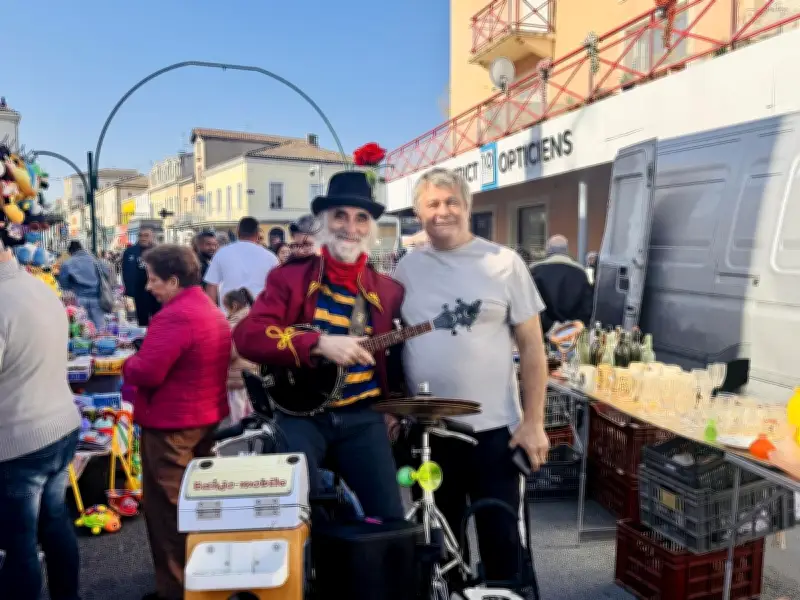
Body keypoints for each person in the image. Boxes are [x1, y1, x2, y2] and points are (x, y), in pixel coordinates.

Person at [392, 167, 549, 586]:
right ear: (417, 212)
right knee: (443, 548)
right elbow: (391, 339)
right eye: (432, 204)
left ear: (467, 206)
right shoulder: (407, 269)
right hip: (431, 435)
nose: (442, 212)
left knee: (502, 545)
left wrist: (534, 422)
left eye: (451, 202)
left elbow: (534, 348)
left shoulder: (503, 262)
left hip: (495, 433)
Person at [233, 171, 405, 520]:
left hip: (363, 417)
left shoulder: (388, 291)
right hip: (300, 417)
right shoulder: (291, 277)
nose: (350, 227)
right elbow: (248, 336)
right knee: (295, 515)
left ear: (370, 228)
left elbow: (396, 357)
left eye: (361, 218)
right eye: (340, 215)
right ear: (324, 223)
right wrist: (318, 344)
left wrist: (394, 407)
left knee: (387, 519)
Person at [122, 245, 231, 600]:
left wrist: (128, 362)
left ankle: (177, 590)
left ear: (173, 280)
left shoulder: (176, 315)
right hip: (200, 418)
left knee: (168, 514)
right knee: (194, 508)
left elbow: (148, 371)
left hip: (173, 424)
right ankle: (197, 582)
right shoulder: (205, 307)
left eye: (153, 279)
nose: (148, 286)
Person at [0, 239, 81, 600]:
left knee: (20, 544)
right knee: (54, 522)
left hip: (20, 439)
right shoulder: (38, 286)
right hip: (60, 425)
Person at [204, 217, 278, 307]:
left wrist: (213, 314)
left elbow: (211, 286)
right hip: (259, 314)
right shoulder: (270, 257)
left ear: (237, 232)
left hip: (230, 315)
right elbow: (277, 289)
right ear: (257, 234)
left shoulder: (222, 253)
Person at [530, 235, 594, 336]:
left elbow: (532, 304)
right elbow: (587, 307)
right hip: (572, 333)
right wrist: (571, 327)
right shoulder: (580, 273)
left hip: (543, 333)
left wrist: (550, 326)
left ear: (548, 250)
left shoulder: (535, 271)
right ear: (566, 250)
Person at [58, 239, 111, 330]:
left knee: (81, 329)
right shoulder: (95, 260)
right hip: (97, 298)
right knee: (100, 329)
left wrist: (71, 286)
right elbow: (106, 274)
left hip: (78, 299)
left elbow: (63, 283)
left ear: (71, 252)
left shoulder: (68, 263)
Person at [223, 287, 257, 424]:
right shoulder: (253, 319)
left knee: (237, 403)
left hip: (236, 373)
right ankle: (252, 425)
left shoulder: (233, 325)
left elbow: (231, 352)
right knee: (250, 400)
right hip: (252, 370)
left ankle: (238, 428)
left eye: (226, 308)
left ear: (234, 306)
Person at [122, 226, 161, 326]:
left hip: (156, 293)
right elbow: (126, 273)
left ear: (152, 237)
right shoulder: (130, 252)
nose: (143, 238)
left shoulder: (160, 252)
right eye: (140, 235)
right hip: (137, 294)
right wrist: (129, 294)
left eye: (146, 235)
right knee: (139, 321)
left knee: (158, 320)